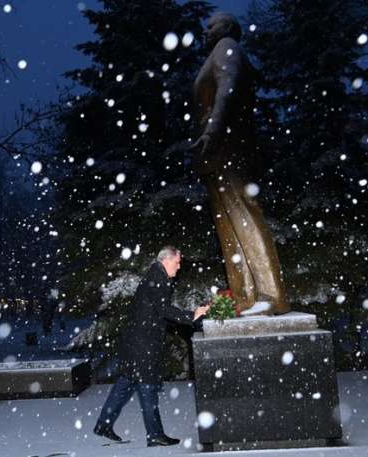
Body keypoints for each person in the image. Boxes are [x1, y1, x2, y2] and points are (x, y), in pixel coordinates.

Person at [190, 12, 290, 315]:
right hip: (218, 151)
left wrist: (212, 130)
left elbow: (227, 88)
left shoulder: (227, 47)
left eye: (212, 26)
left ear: (229, 28)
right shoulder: (219, 51)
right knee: (228, 224)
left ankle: (270, 294)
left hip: (229, 145)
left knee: (243, 214)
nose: (206, 32)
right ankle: (245, 295)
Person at [93, 246, 210, 447]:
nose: (179, 266)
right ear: (166, 260)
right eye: (177, 262)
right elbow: (163, 309)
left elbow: (157, 311)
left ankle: (103, 424)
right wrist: (191, 315)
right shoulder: (157, 279)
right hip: (142, 344)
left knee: (126, 383)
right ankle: (154, 434)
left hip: (136, 342)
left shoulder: (155, 276)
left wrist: (190, 317)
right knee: (147, 388)